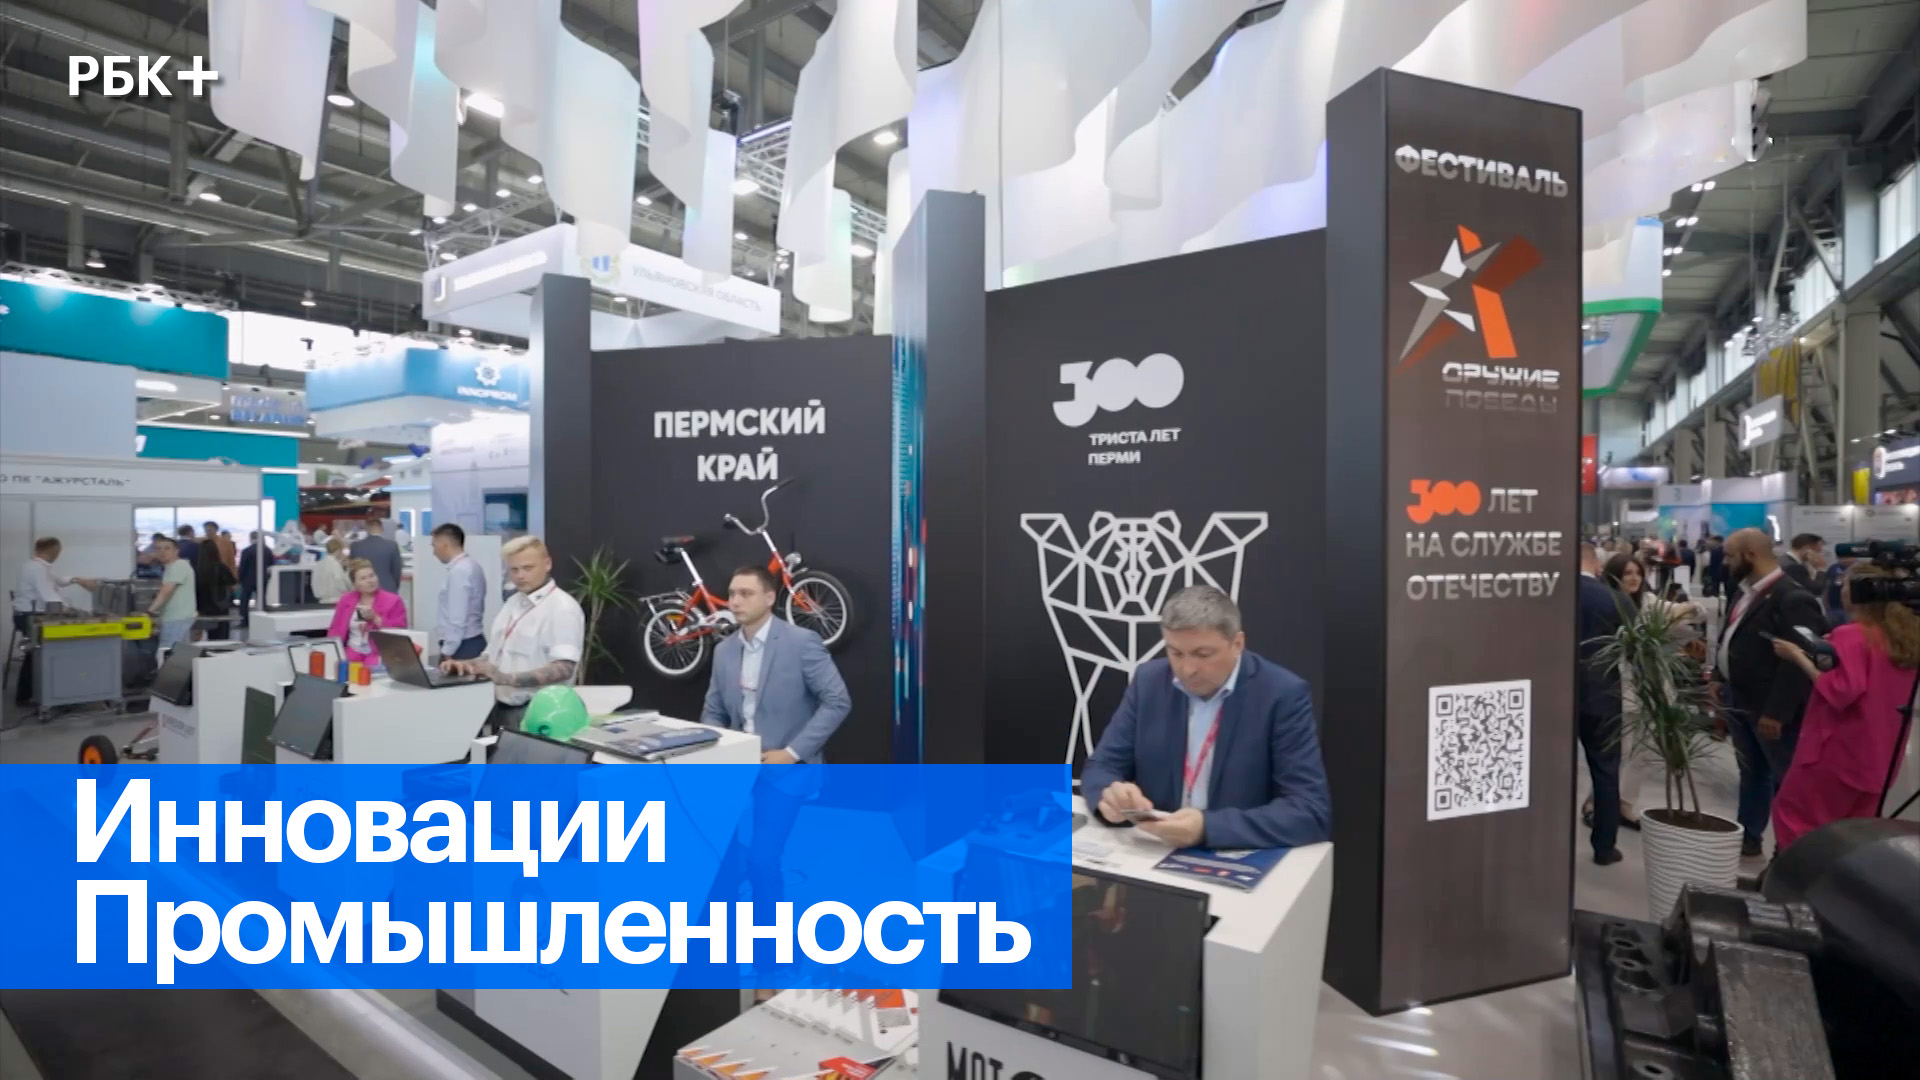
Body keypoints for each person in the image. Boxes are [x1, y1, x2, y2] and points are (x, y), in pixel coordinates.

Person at [1082, 585, 1331, 850]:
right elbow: (1101, 766)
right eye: (1175, 653)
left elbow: (1310, 812)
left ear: (1237, 644)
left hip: (1232, 854)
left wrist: (1207, 828)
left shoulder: (1281, 694)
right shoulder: (1149, 681)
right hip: (1153, 847)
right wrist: (1110, 795)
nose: (1187, 669)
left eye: (1203, 654)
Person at [1769, 563, 1918, 851]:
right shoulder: (1906, 642)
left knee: (1796, 820)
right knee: (1852, 836)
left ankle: (1796, 876)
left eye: (1847, 584)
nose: (1842, 589)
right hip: (1881, 757)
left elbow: (1842, 691)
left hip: (1837, 751)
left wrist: (1798, 656)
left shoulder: (1852, 635)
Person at [1712, 527, 1829, 857]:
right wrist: (1719, 677)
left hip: (1770, 710)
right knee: (1751, 773)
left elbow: (1799, 661)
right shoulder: (1744, 591)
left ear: (1751, 555)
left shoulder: (1792, 598)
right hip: (1739, 699)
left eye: (1730, 556)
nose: (1726, 563)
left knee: (1784, 779)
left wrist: (1777, 713)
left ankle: (1788, 848)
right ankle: (1748, 835)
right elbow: (1732, 636)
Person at [700, 564, 853, 763]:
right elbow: (713, 711)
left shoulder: (802, 642)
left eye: (746, 594)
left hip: (791, 769)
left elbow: (837, 702)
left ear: (769, 598)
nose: (735, 602)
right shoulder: (723, 650)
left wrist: (791, 754)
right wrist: (721, 750)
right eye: (732, 594)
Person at [442, 536, 585, 732]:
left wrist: (505, 678)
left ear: (547, 564)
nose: (520, 576)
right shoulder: (513, 603)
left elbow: (564, 668)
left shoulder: (562, 608)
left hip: (538, 713)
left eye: (528, 568)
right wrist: (467, 665)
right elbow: (491, 655)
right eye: (514, 570)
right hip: (501, 707)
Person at [1576, 543, 1626, 865]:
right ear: (1597, 564)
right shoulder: (1615, 599)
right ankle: (1605, 847)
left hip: (1558, 696)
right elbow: (1636, 646)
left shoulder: (1547, 595)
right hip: (1603, 695)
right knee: (1606, 773)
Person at [12, 538, 101, 705]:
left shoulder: (35, 565)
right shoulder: (37, 569)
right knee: (39, 654)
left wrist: (77, 580)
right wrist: (74, 611)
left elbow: (56, 580)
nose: (59, 554)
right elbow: (50, 597)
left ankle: (32, 694)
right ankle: (39, 695)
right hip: (30, 617)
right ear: (53, 551)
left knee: (35, 655)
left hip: (25, 615)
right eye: (58, 551)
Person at [327, 558, 408, 668]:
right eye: (363, 578)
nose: (370, 581)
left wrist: (375, 618)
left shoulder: (393, 601)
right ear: (355, 584)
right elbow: (335, 629)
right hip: (352, 652)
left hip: (379, 653)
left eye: (372, 575)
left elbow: (399, 633)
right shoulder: (346, 600)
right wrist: (332, 653)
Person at [431, 523, 487, 661]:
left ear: (444, 545)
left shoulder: (459, 571)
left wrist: (447, 651)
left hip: (462, 647)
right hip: (470, 641)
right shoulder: (472, 565)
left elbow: (457, 618)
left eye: (434, 545)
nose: (434, 552)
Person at [145, 535, 198, 652]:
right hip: (179, 617)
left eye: (167, 548)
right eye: (158, 549)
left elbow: (166, 591)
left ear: (176, 551)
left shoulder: (178, 566)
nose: (162, 552)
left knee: (166, 653)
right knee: (180, 654)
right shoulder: (171, 567)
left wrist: (149, 611)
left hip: (176, 618)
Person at [193, 534, 237, 641]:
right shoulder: (220, 567)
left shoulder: (196, 569)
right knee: (221, 635)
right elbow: (232, 581)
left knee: (206, 634)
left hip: (202, 606)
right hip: (219, 605)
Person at [349, 517, 404, 594]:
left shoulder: (355, 546)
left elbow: (353, 571)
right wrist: (393, 586)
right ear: (382, 528)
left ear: (367, 529)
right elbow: (396, 571)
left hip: (364, 590)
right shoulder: (392, 545)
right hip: (388, 588)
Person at [311, 538, 351, 604]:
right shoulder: (335, 564)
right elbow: (340, 582)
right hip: (336, 600)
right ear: (338, 550)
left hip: (322, 600)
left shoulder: (319, 563)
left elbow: (314, 582)